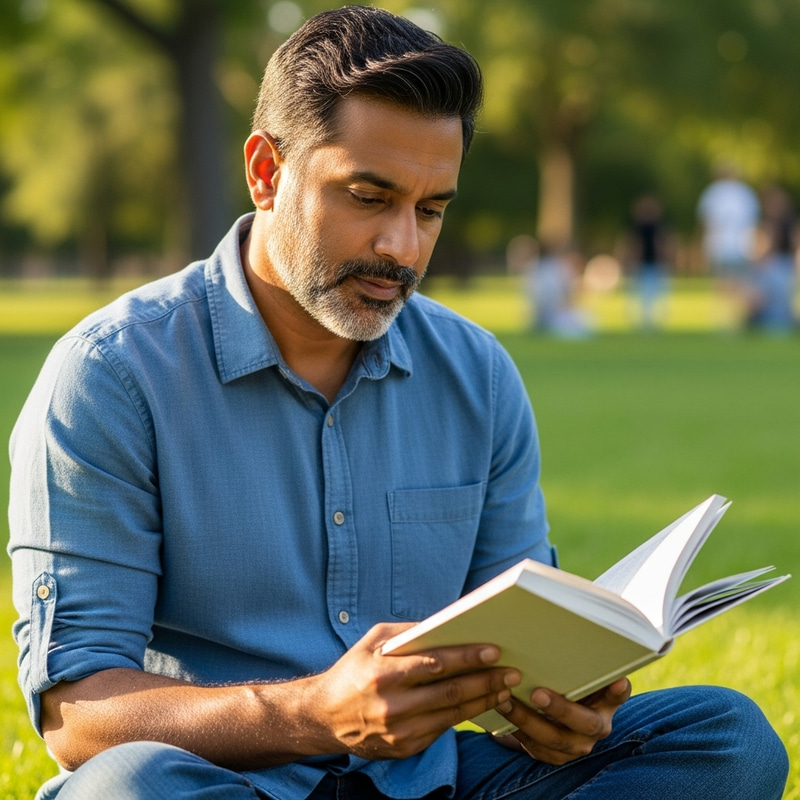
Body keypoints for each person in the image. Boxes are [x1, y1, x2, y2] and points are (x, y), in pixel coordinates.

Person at [8, 7, 788, 799]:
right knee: (124, 789)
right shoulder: (112, 376)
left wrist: (560, 704)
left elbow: (517, 636)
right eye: (369, 197)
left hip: (431, 781)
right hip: (219, 782)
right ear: (266, 171)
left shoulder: (476, 374)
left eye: (431, 209)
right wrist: (312, 713)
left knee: (724, 739)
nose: (403, 248)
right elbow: (77, 715)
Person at [696, 162, 760, 328]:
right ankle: (737, 320)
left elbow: (706, 222)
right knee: (738, 284)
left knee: (723, 284)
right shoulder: (746, 193)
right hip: (741, 247)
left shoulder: (713, 192)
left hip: (721, 246)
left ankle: (725, 321)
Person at [624, 193, 673, 330]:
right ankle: (645, 322)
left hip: (655, 264)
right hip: (644, 264)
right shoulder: (639, 227)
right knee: (645, 294)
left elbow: (663, 244)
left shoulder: (658, 226)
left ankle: (652, 322)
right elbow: (634, 245)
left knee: (654, 294)